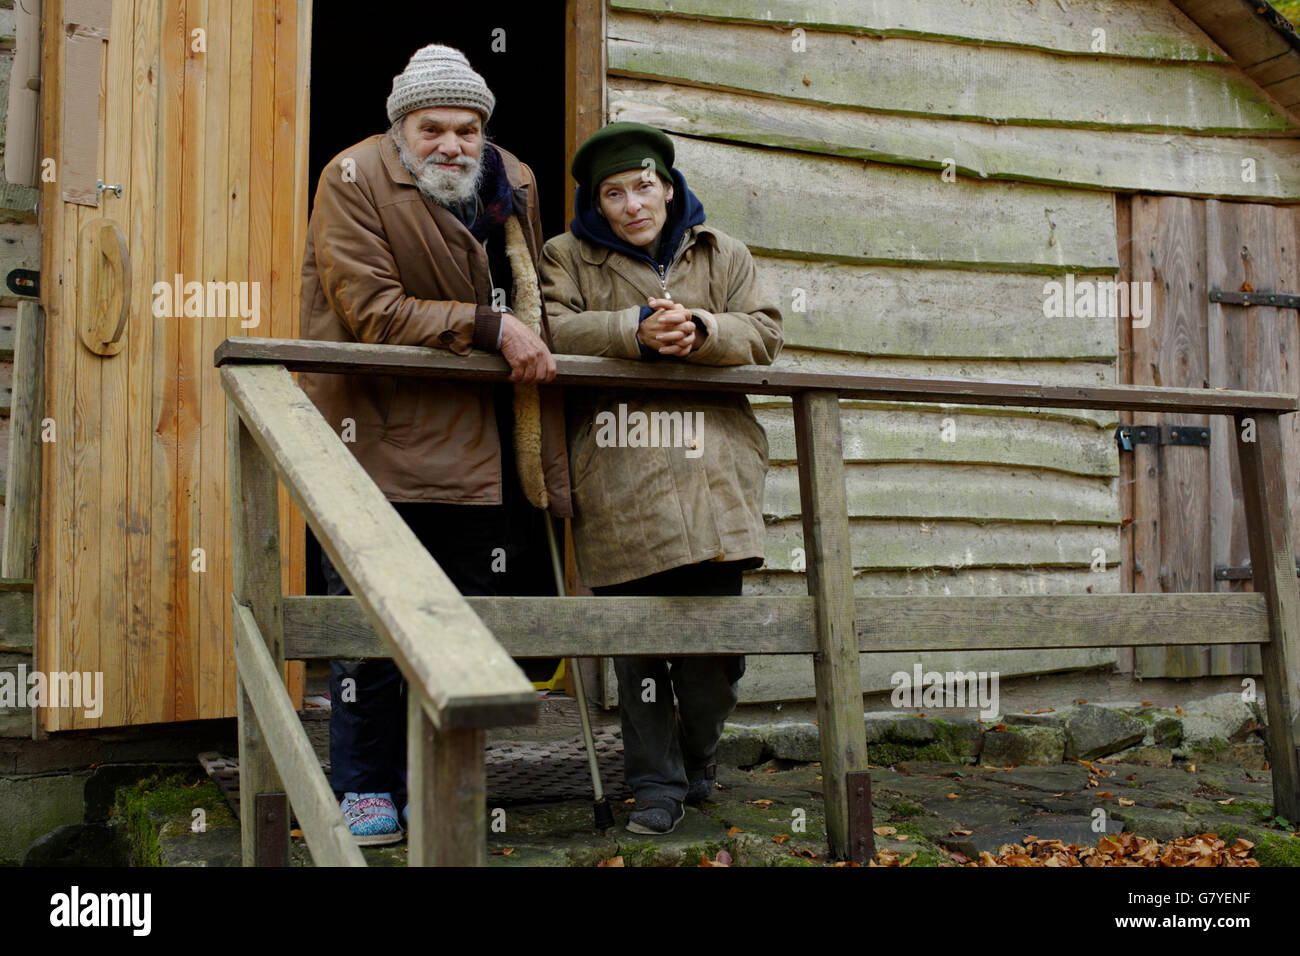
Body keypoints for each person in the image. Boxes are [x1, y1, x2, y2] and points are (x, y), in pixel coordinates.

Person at [298, 44, 572, 845]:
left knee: (464, 626)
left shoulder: (512, 181)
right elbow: (371, 310)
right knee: (368, 628)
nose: (452, 145)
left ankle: (438, 788)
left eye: (467, 128)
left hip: (486, 440)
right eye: (432, 128)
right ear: (400, 128)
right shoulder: (350, 179)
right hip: (377, 435)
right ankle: (362, 788)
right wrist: (491, 327)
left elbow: (532, 294)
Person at [540, 122, 783, 834]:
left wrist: (704, 330)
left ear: (668, 188)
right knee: (639, 649)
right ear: (598, 204)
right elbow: (549, 329)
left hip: (716, 474)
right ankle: (655, 788)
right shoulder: (567, 256)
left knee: (715, 656)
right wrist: (632, 330)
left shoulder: (723, 252)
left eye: (643, 186)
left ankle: (697, 756)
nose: (631, 204)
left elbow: (764, 331)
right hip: (620, 470)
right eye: (612, 193)